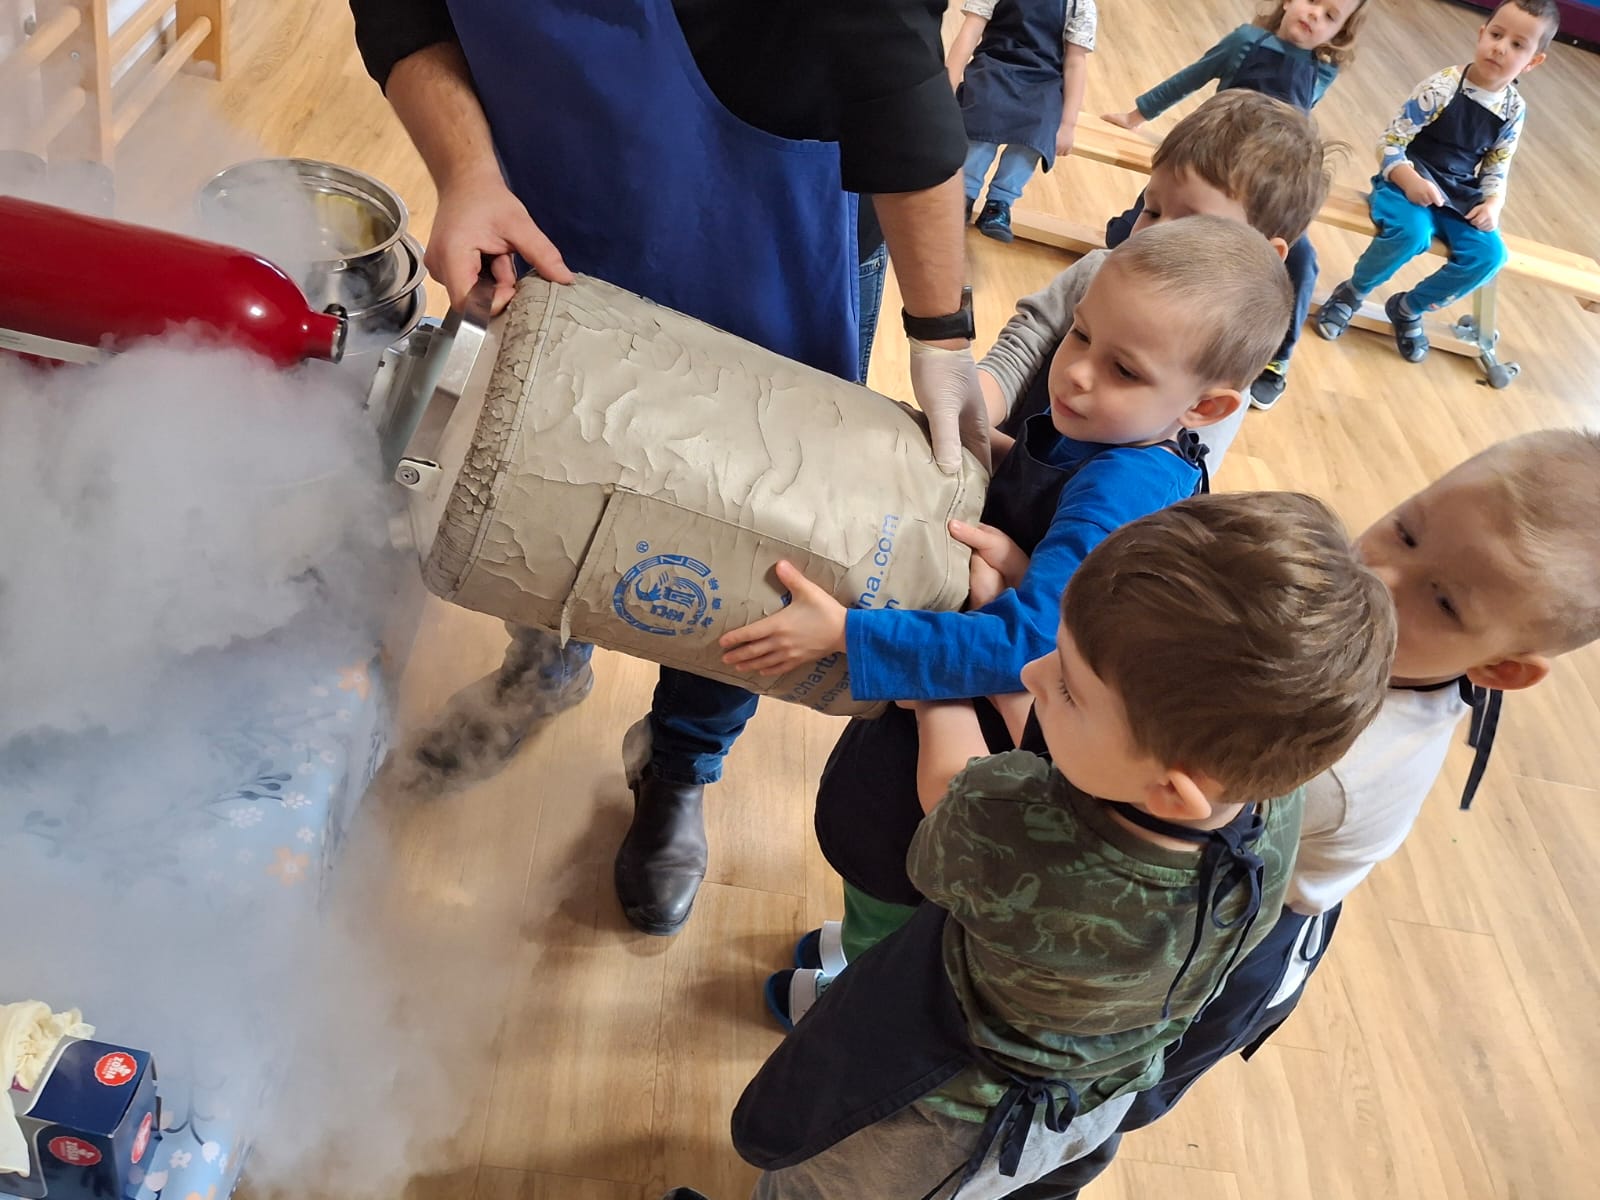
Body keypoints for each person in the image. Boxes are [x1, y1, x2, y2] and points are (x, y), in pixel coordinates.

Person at [349, 0, 992, 937]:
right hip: (549, 190)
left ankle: (681, 761)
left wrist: (941, 333)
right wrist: (467, 171)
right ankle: (541, 668)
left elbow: (896, 69)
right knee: (531, 470)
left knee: (762, 537)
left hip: (775, 210)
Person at [718, 491, 1395, 1200]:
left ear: (1173, 791)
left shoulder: (1009, 829)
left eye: (1066, 687)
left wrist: (939, 688)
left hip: (941, 1114)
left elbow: (953, 789)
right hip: (1093, 1095)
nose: (1031, 673)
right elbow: (1100, 754)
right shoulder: (1270, 803)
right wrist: (1050, 662)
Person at [718, 215, 1295, 1024]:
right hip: (962, 666)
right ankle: (862, 943)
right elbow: (1046, 514)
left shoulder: (1125, 485)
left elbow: (1024, 640)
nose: (1078, 375)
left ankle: (858, 992)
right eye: (1080, 334)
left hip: (995, 721)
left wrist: (845, 633)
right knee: (877, 846)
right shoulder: (1112, 431)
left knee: (895, 854)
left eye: (1123, 369)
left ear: (1206, 405)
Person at [1016, 426, 1600, 1198]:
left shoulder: (1329, 767)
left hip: (1232, 924)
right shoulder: (1359, 668)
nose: (1379, 577)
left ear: (1500, 668)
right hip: (1238, 848)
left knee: (1099, 1088)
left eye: (1443, 601)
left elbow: (1130, 777)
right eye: (1406, 529)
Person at [1100, 0, 1369, 411]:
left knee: (1303, 263)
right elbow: (1191, 77)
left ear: (1339, 33)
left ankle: (1277, 359)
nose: (1315, 14)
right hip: (1210, 164)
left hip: (1265, 189)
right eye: (1311, 0)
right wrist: (1136, 115)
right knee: (1142, 223)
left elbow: (1298, 129)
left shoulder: (1322, 71)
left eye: (1331, 16)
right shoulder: (1246, 41)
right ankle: (1118, 281)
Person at [1314, 0, 1556, 364]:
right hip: (1406, 181)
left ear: (1533, 61)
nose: (1500, 48)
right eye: (1495, 34)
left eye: (1517, 45)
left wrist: (1493, 204)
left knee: (1490, 256)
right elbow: (1390, 142)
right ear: (1481, 34)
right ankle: (1352, 292)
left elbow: (1497, 167)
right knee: (1412, 234)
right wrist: (1409, 179)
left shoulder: (1513, 110)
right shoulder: (1441, 87)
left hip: (1458, 195)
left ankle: (1409, 308)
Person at [945, 0, 1099, 243]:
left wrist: (1068, 124)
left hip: (1044, 80)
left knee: (1039, 126)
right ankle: (963, 194)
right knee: (984, 110)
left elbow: (1075, 62)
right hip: (995, 66)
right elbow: (970, 32)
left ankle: (1000, 203)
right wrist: (947, 87)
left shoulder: (1079, 5)